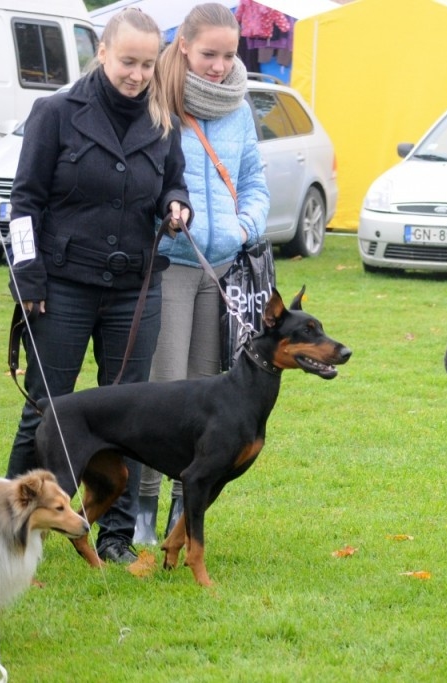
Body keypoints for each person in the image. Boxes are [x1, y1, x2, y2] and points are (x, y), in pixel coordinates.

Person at [5, 7, 191, 565]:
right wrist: (28, 276)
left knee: (129, 416)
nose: (136, 75)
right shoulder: (55, 112)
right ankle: (5, 529)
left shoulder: (163, 120)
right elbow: (23, 205)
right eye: (127, 62)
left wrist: (176, 204)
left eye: (146, 64)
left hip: (134, 290)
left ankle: (113, 534)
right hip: (59, 286)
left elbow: (172, 181)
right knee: (45, 409)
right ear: (102, 53)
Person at [134, 3, 270, 545]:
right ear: (184, 46)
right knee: (163, 396)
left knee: (208, 403)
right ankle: (142, 510)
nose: (218, 66)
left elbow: (256, 181)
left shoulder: (239, 106)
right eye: (208, 54)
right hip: (168, 266)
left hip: (222, 272)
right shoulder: (154, 100)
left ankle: (181, 513)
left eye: (229, 54)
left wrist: (242, 228)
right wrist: (162, 214)